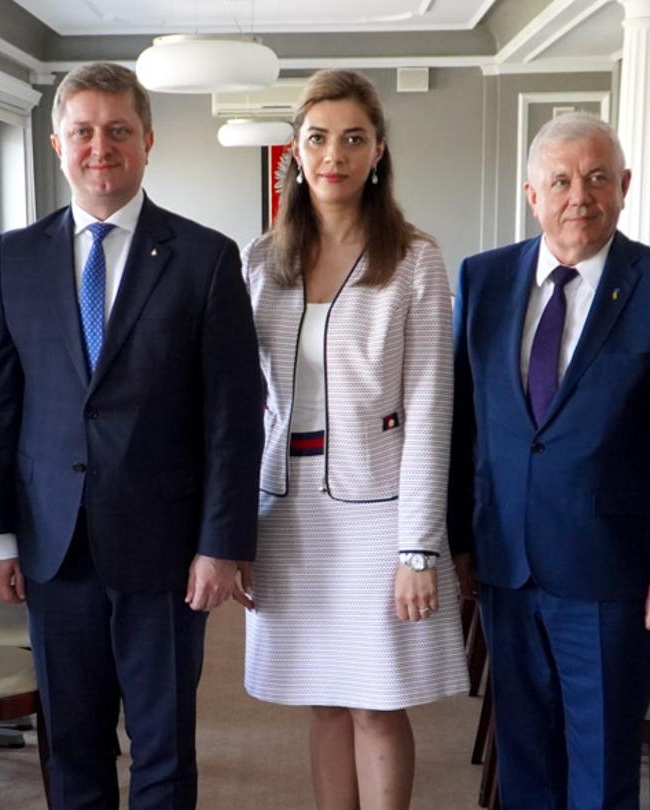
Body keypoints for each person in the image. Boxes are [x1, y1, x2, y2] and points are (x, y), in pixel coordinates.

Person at [0, 61, 265, 809]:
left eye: (118, 130)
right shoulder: (17, 256)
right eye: (83, 131)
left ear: (148, 141)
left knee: (164, 746)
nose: (99, 146)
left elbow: (234, 412)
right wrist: (1, 539)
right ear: (56, 143)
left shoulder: (204, 257)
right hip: (52, 545)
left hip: (167, 551)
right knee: (72, 745)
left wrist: (221, 543)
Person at [446, 112, 650, 810]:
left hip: (609, 571)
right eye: (559, 181)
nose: (578, 197)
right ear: (533, 194)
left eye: (597, 178)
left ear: (624, 187)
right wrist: (458, 541)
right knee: (526, 754)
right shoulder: (484, 279)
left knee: (600, 764)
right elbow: (463, 424)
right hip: (506, 562)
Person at [240, 68, 466, 810]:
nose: (333, 154)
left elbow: (433, 408)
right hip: (286, 510)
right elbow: (242, 406)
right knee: (323, 699)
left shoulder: (416, 260)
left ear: (378, 152)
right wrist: (234, 530)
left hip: (379, 510)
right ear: (294, 156)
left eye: (353, 138)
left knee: (376, 699)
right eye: (317, 138)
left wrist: (417, 548)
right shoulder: (260, 263)